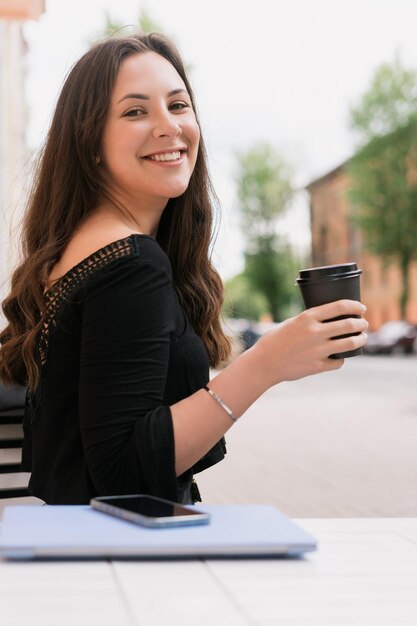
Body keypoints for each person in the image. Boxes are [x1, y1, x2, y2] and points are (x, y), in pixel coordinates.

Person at [0, 32, 368, 505]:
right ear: (89, 141)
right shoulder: (129, 263)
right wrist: (265, 364)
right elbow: (122, 472)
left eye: (178, 105)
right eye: (135, 111)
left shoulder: (80, 249)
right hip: (120, 558)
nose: (168, 126)